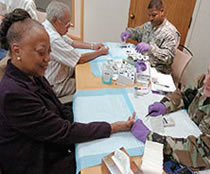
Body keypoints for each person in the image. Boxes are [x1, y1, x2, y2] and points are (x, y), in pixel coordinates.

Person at [0, 11, 135, 174]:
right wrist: (111, 127)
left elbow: (59, 109)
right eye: (42, 52)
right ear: (17, 51)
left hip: (51, 143)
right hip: (35, 162)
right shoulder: (13, 94)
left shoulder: (32, 75)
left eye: (49, 52)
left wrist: (92, 121)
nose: (48, 59)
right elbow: (62, 131)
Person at [131, 48, 210, 174]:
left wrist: (151, 138)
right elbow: (184, 95)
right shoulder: (206, 83)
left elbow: (202, 152)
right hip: (185, 137)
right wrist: (165, 105)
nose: (205, 80)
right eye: (208, 72)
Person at [42, 1, 109, 98]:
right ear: (56, 20)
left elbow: (72, 42)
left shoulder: (49, 26)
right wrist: (100, 52)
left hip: (57, 76)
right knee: (90, 83)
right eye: (66, 23)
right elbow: (79, 59)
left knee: (87, 72)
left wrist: (93, 46)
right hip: (56, 85)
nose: (69, 26)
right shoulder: (53, 38)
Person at [120, 0, 180, 74]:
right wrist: (129, 33)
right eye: (149, 15)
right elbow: (138, 33)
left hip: (158, 71)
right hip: (142, 64)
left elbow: (168, 58)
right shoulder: (149, 25)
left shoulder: (170, 32)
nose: (151, 18)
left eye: (154, 15)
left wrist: (151, 48)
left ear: (162, 11)